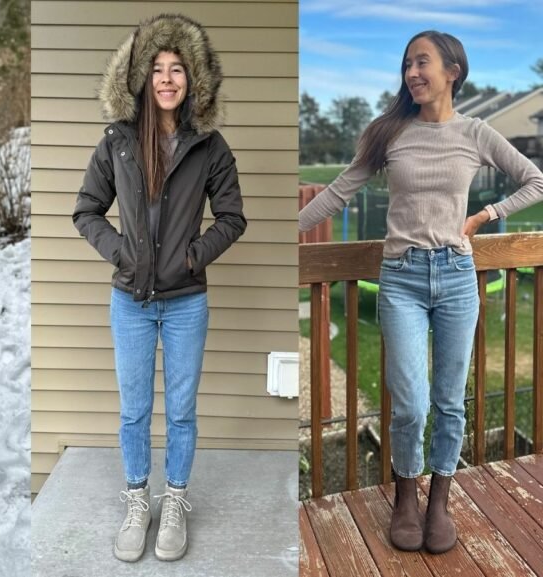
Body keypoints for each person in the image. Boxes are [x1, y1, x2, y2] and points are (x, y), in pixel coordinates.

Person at [299, 31, 543, 554]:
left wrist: (483, 216)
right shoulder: (389, 133)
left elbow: (536, 181)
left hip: (456, 276)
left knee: (449, 402)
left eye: (422, 62)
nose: (412, 72)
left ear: (453, 70)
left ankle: (439, 501)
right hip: (403, 279)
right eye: (407, 63)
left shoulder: (476, 133)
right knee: (410, 403)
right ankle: (407, 494)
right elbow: (341, 190)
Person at [73, 14, 247, 563]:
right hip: (129, 300)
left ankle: (173, 501)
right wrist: (123, 253)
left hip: (186, 303)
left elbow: (233, 218)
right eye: (157, 69)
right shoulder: (118, 142)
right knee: (132, 411)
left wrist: (193, 256)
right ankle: (136, 501)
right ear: (141, 80)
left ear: (192, 80)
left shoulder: (210, 147)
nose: (167, 78)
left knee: (179, 411)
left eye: (177, 69)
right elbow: (86, 211)